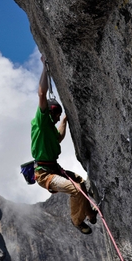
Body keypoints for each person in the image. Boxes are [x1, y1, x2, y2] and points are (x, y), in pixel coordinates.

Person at [31, 55, 98, 234]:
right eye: (57, 115)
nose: (58, 118)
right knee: (76, 190)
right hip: (44, 174)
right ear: (50, 113)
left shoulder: (50, 130)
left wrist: (66, 121)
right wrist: (45, 67)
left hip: (52, 168)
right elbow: (42, 93)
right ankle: (77, 221)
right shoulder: (41, 122)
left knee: (80, 183)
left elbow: (59, 137)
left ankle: (89, 212)